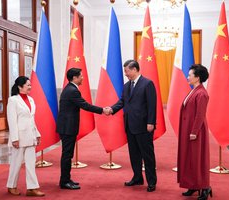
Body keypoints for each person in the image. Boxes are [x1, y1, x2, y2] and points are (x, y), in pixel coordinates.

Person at [108, 59, 157, 192]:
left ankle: (151, 181)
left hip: (144, 126)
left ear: (134, 69)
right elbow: (122, 101)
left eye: (127, 71)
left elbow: (152, 105)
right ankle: (137, 177)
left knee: (147, 155)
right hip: (130, 125)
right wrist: (112, 109)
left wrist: (151, 122)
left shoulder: (147, 84)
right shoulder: (127, 85)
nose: (125, 74)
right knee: (134, 154)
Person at [56, 67, 109, 190]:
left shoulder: (70, 89)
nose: (82, 77)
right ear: (74, 78)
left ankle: (66, 179)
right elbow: (84, 105)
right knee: (67, 155)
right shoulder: (72, 91)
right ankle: (64, 181)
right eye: (81, 75)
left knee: (68, 154)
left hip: (67, 127)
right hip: (67, 128)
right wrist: (102, 110)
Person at [177, 64, 212, 200]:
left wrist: (194, 131)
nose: (188, 77)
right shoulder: (194, 90)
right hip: (188, 130)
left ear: (197, 77)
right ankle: (193, 185)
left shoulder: (202, 93)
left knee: (198, 159)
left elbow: (200, 115)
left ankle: (204, 187)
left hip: (196, 132)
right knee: (189, 158)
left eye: (190, 74)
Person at [6, 76, 45, 197]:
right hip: (19, 137)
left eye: (30, 85)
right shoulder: (13, 100)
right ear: (19, 87)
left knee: (31, 163)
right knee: (16, 163)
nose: (30, 87)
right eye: (28, 85)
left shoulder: (31, 99)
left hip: (31, 136)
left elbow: (31, 119)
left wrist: (37, 134)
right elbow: (11, 121)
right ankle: (11, 185)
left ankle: (32, 188)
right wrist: (14, 139)